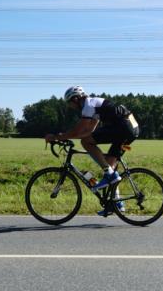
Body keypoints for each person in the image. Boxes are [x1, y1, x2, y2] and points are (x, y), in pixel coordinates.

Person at [45, 85, 140, 216]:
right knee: (109, 165)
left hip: (123, 127)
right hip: (130, 129)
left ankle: (109, 174)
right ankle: (117, 204)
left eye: (70, 103)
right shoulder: (94, 106)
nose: (70, 107)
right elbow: (89, 131)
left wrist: (57, 137)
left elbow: (80, 131)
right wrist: (65, 137)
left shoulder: (88, 105)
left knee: (86, 142)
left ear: (76, 99)